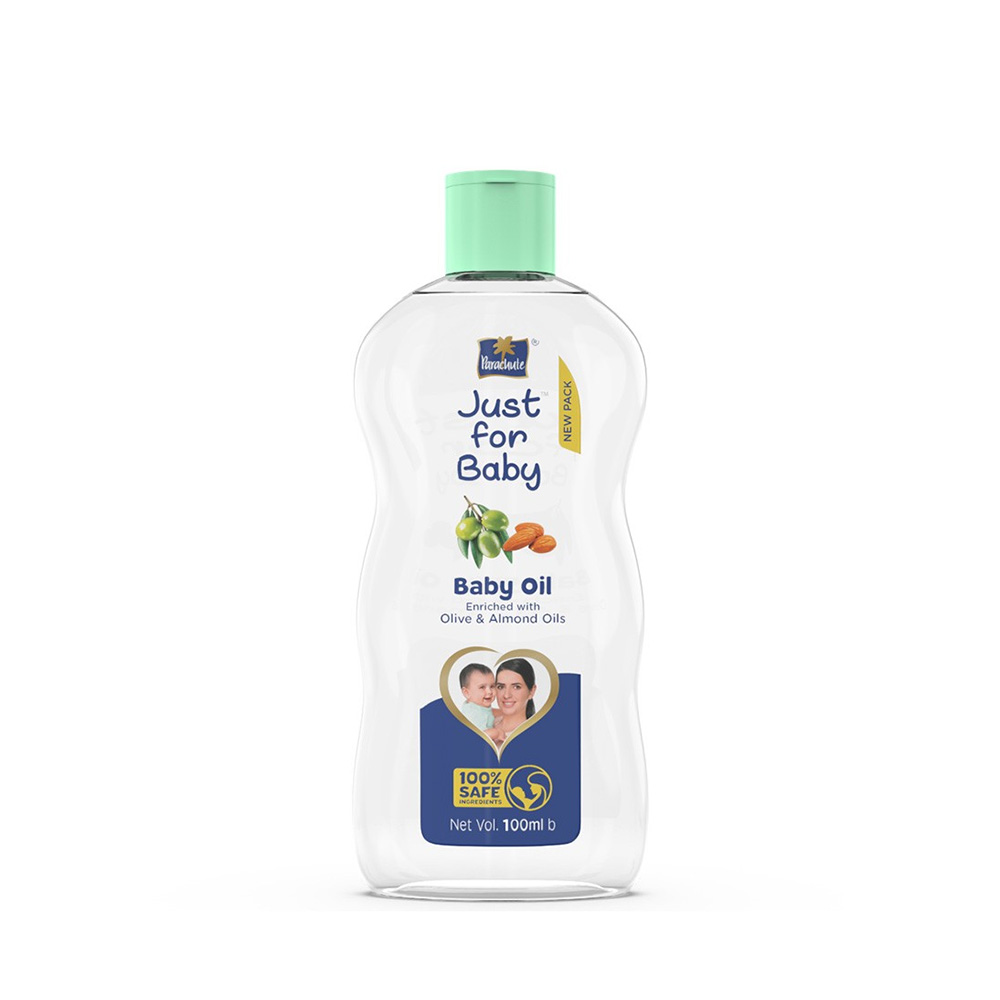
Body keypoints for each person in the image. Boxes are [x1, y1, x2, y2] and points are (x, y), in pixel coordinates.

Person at [491, 658, 537, 747]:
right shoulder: (485, 721)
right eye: (501, 687)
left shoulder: (532, 737)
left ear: (531, 691)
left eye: (516, 687)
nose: (506, 695)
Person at [457, 663, 504, 744]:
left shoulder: (475, 706)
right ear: (467, 693)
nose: (489, 692)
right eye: (482, 687)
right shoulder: (473, 713)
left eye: (492, 686)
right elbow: (477, 737)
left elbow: (490, 712)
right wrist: (497, 733)